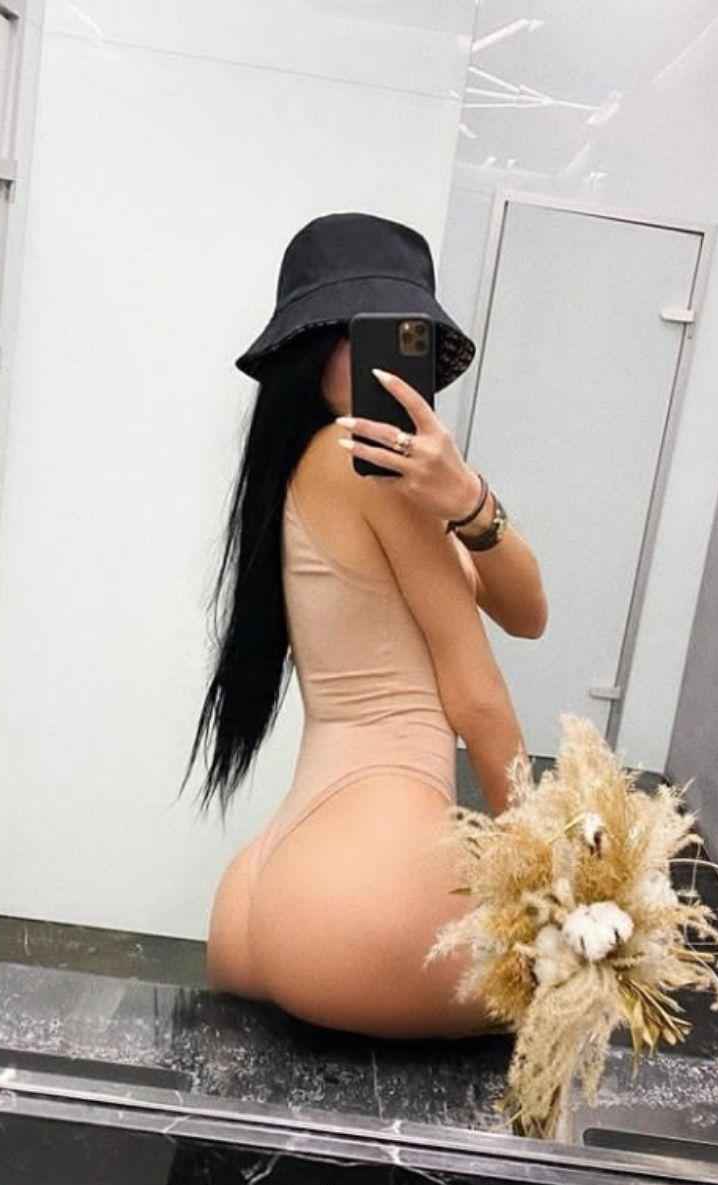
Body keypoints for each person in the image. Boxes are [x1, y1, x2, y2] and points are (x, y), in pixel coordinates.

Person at [178, 212, 547, 1038]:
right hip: (376, 881)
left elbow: (527, 611)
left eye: (395, 333)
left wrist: (468, 499)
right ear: (309, 348)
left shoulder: (331, 468)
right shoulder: (366, 470)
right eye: (345, 331)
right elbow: (476, 694)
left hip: (275, 880)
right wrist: (545, 878)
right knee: (574, 991)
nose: (372, 355)